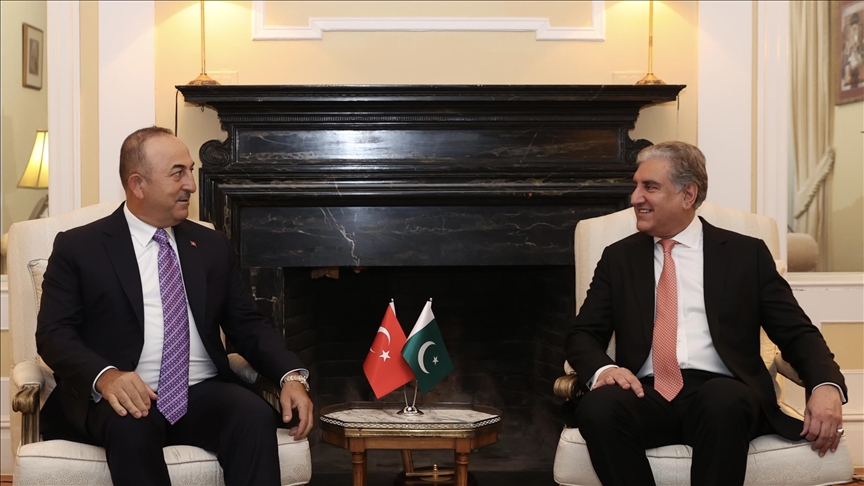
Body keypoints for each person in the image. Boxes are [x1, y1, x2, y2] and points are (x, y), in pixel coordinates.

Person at [36, 126, 314, 486]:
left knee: (252, 414)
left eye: (191, 171)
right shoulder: (80, 248)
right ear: (138, 185)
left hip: (200, 390)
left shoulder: (212, 246)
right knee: (130, 422)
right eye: (178, 173)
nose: (191, 185)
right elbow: (54, 334)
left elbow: (248, 323)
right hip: (122, 394)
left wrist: (290, 376)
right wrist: (106, 376)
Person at [565, 141, 846, 486]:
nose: (635, 197)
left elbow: (796, 332)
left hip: (723, 393)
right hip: (646, 393)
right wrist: (605, 369)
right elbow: (583, 334)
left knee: (723, 399)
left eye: (649, 187)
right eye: (636, 186)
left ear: (688, 195)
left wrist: (825, 385)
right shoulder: (618, 258)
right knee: (599, 407)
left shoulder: (745, 255)